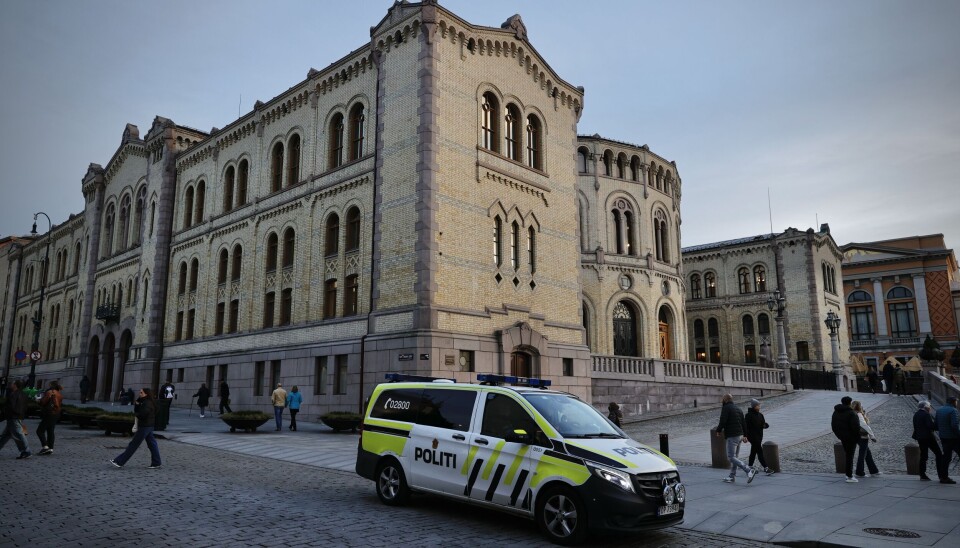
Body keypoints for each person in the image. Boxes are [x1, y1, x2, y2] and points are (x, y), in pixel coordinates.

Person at [109, 387, 162, 469]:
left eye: (141, 392)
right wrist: (137, 405)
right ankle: (156, 462)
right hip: (148, 426)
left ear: (146, 394)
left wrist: (137, 414)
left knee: (133, 445)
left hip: (145, 426)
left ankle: (119, 461)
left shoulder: (147, 403)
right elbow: (138, 411)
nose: (139, 394)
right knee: (152, 444)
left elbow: (142, 414)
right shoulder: (145, 401)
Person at [715, 394, 756, 484]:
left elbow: (723, 420)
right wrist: (745, 435)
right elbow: (743, 423)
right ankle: (732, 476)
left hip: (732, 436)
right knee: (735, 457)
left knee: (731, 457)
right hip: (740, 435)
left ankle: (748, 470)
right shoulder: (738, 408)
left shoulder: (726, 408)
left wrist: (718, 430)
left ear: (725, 400)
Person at [913, 401, 947, 482]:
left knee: (923, 456)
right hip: (928, 437)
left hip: (920, 438)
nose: (930, 408)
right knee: (938, 454)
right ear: (926, 407)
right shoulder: (926, 414)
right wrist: (937, 425)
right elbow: (930, 426)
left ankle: (922, 474)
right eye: (929, 407)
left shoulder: (916, 414)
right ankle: (941, 474)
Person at [832, 396, 861, 483]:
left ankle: (849, 474)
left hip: (843, 437)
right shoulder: (851, 413)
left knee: (848, 455)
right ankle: (849, 476)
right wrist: (857, 438)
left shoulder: (836, 412)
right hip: (851, 438)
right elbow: (856, 427)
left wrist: (839, 436)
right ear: (849, 402)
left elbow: (833, 426)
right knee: (850, 456)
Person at [0, 379, 32, 459]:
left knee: (19, 434)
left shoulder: (13, 394)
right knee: (6, 435)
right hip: (17, 417)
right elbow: (25, 407)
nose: (11, 384)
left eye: (12, 383)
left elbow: (10, 407)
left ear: (15, 385)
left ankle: (26, 451)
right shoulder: (23, 394)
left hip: (13, 417)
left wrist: (4, 414)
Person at [851, 400, 880, 478]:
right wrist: (872, 436)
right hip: (863, 436)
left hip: (856, 436)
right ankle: (859, 472)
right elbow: (864, 425)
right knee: (862, 454)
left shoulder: (851, 414)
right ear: (860, 406)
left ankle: (874, 470)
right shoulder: (859, 414)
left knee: (867, 454)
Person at [934, 396, 959, 485]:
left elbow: (936, 425)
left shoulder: (939, 410)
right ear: (953, 402)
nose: (957, 403)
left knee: (946, 458)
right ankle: (944, 477)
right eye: (956, 402)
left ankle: (943, 477)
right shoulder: (953, 411)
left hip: (943, 437)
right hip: (953, 438)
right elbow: (954, 426)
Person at [744, 399, 772, 474]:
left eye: (759, 405)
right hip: (752, 436)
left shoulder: (760, 415)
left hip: (759, 436)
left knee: (753, 451)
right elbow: (745, 426)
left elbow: (763, 424)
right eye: (758, 405)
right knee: (760, 451)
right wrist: (745, 436)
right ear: (754, 406)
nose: (759, 407)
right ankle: (766, 468)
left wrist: (765, 425)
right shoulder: (748, 415)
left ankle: (749, 467)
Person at [37, 380, 63, 456]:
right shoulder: (59, 394)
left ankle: (45, 447)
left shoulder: (50, 392)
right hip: (56, 414)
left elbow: (43, 402)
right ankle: (51, 448)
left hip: (49, 413)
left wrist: (37, 400)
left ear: (51, 385)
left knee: (39, 431)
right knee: (50, 430)